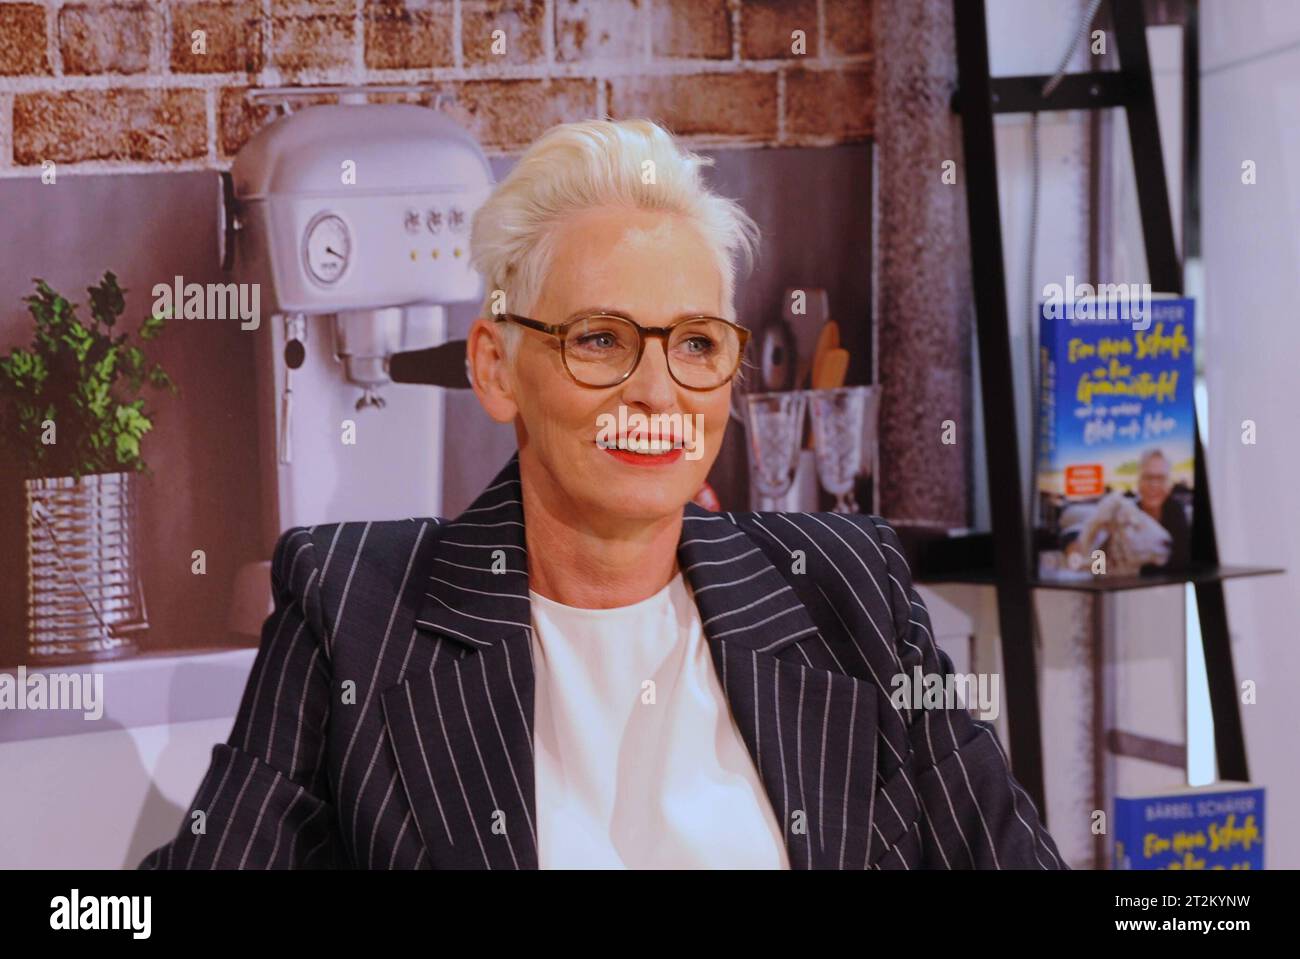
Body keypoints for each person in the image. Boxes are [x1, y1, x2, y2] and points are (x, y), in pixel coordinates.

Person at [139, 118, 1064, 870]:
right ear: (497, 369)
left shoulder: (848, 592)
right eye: (600, 340)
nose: (658, 392)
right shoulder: (353, 609)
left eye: (697, 343)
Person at [1135, 448, 1192, 572]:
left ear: (1169, 483)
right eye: (1148, 477)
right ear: (1139, 482)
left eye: (1160, 478)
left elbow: (1182, 564)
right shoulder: (1129, 515)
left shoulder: (1177, 513)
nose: (1154, 485)